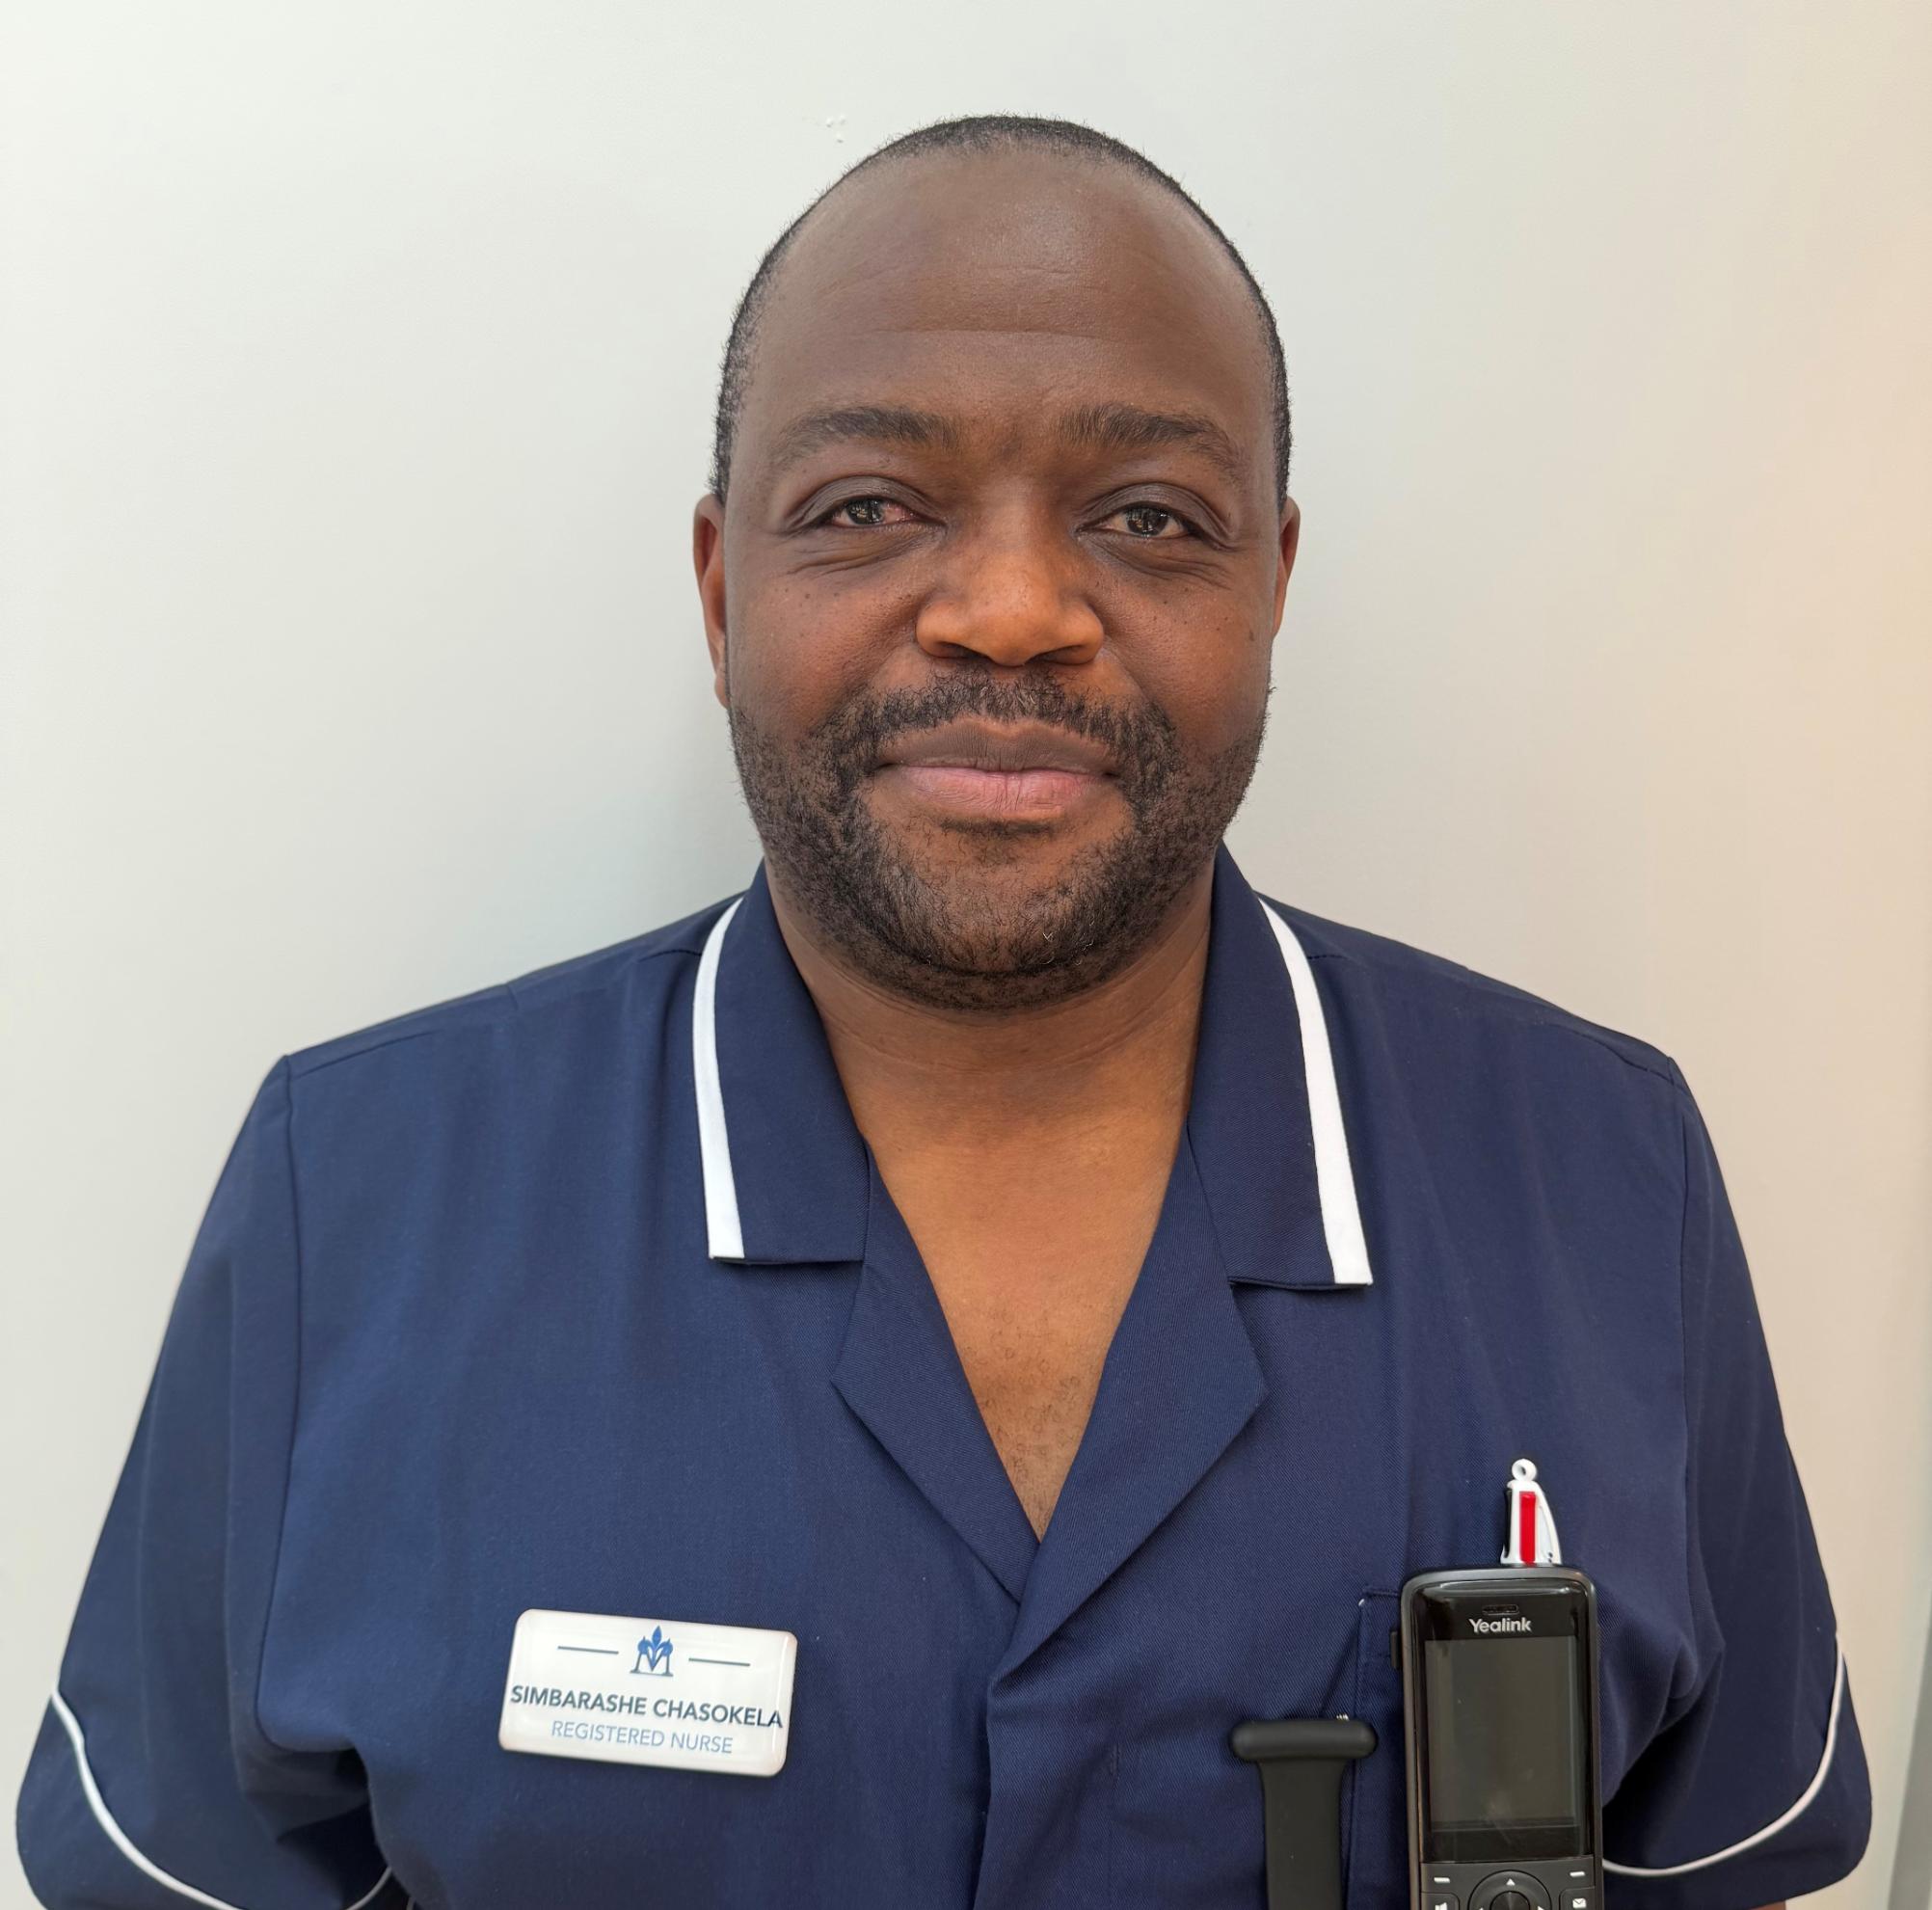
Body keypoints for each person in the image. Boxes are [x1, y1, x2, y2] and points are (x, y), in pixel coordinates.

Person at [16, 115, 1869, 1910]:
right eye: (867, 506)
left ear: (1274, 583)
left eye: (1149, 513)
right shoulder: (360, 1200)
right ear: (722, 583)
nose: (1007, 609)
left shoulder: (1605, 1180)